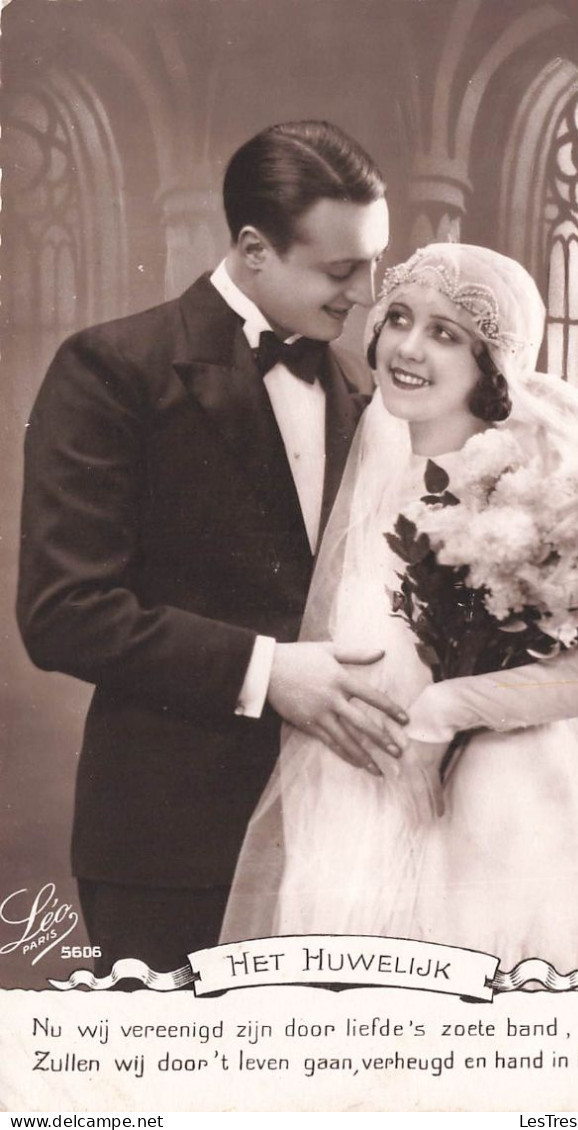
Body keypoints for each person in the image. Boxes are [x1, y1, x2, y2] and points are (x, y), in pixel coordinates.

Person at [220, 243, 578, 990]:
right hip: (354, 805)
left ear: (492, 368)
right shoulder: (367, 453)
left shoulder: (543, 476)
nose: (407, 347)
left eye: (446, 334)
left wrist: (449, 707)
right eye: (399, 319)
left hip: (501, 810)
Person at [16, 120, 410, 978]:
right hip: (171, 843)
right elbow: (63, 613)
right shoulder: (110, 369)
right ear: (253, 249)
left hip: (340, 839)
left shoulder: (359, 386)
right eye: (342, 270)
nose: (367, 296)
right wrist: (270, 673)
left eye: (374, 263)